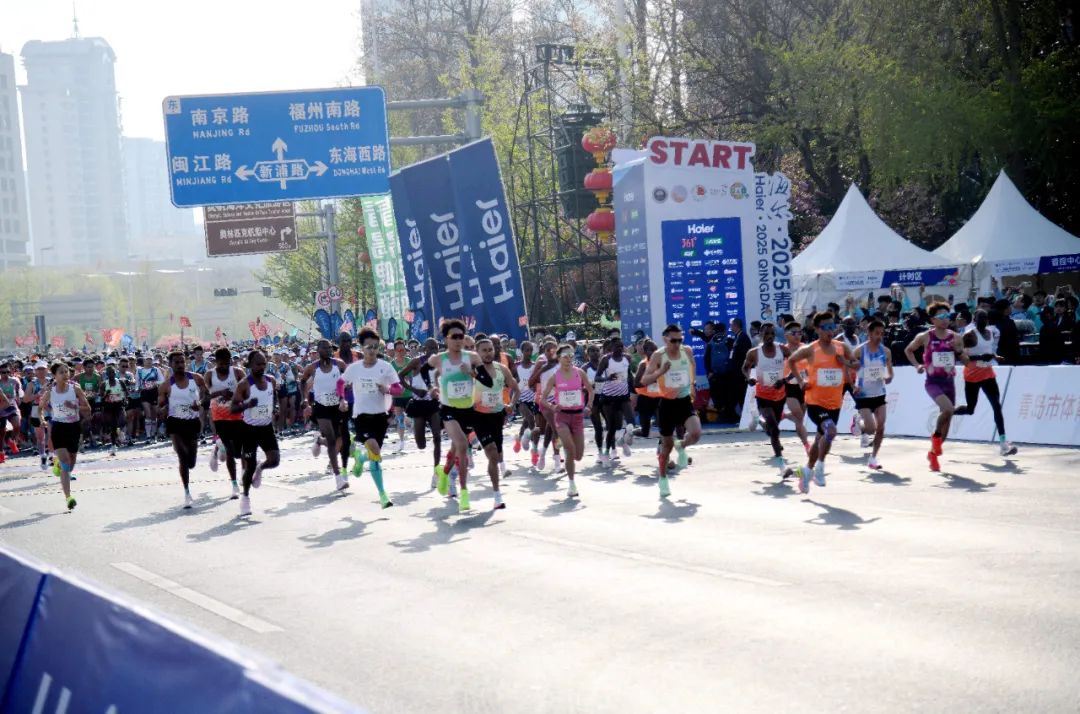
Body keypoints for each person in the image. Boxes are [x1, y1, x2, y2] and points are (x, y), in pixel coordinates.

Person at [786, 313, 856, 493]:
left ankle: (807, 471)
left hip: (835, 403)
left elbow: (857, 364)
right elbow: (792, 361)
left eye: (832, 327)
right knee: (830, 431)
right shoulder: (810, 349)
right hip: (815, 402)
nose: (830, 331)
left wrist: (845, 362)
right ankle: (820, 469)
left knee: (821, 439)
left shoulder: (842, 347)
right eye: (825, 328)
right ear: (817, 329)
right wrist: (800, 381)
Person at [430, 319, 493, 512]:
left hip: (467, 409)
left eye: (461, 336)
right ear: (446, 339)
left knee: (456, 447)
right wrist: (433, 388)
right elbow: (430, 374)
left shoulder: (472, 358)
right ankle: (464, 491)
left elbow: (488, 381)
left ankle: (444, 472)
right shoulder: (440, 359)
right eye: (454, 337)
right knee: (462, 445)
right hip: (448, 409)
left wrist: (472, 373)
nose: (458, 340)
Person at [640, 324, 703, 498]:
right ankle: (663, 479)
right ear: (665, 339)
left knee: (696, 433)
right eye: (673, 340)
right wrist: (661, 371)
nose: (677, 344)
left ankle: (681, 445)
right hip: (667, 404)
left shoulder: (687, 351)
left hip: (684, 401)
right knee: (666, 448)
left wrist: (692, 385)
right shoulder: (658, 355)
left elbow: (692, 366)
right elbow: (644, 380)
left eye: (680, 340)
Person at [904, 302, 968, 472]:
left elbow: (965, 359)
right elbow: (908, 350)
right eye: (941, 316)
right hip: (933, 382)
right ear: (932, 319)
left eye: (947, 316)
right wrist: (917, 365)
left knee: (947, 420)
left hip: (949, 382)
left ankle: (933, 454)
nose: (945, 319)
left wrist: (960, 352)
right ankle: (936, 439)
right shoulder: (925, 336)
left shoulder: (956, 337)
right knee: (948, 409)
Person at [342, 328, 401, 509]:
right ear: (361, 347)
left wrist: (387, 389)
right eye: (369, 347)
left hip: (380, 417)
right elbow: (340, 383)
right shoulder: (354, 368)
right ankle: (383, 495)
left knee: (374, 456)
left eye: (375, 347)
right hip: (361, 416)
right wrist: (342, 399)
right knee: (374, 449)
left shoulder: (386, 367)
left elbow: (398, 388)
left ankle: (360, 458)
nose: (372, 350)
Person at [954, 309, 1017, 456]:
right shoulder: (969, 335)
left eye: (985, 318)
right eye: (980, 318)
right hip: (972, 375)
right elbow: (960, 355)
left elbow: (988, 350)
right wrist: (980, 357)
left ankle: (1003, 444)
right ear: (975, 320)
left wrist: (995, 356)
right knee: (970, 409)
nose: (983, 320)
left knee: (997, 406)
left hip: (988, 374)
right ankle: (950, 411)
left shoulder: (990, 333)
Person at [541, 344, 593, 498]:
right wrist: (552, 406)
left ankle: (562, 441)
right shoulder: (554, 376)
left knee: (578, 456)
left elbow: (591, 390)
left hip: (577, 417)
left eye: (571, 355)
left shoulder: (580, 373)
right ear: (558, 358)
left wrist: (589, 406)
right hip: (562, 416)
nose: (569, 358)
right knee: (570, 450)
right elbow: (542, 399)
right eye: (565, 356)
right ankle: (572, 484)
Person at [471, 337, 518, 509]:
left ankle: (494, 472)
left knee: (496, 455)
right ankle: (497, 495)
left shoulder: (501, 369)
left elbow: (516, 388)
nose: (488, 353)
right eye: (484, 350)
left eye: (490, 349)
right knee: (491, 451)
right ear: (477, 352)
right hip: (478, 416)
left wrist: (511, 405)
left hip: (497, 416)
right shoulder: (472, 370)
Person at [232, 350, 281, 517]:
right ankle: (245, 497)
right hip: (249, 430)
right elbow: (233, 408)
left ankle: (261, 468)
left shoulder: (271, 380)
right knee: (249, 465)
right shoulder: (244, 384)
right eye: (258, 364)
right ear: (250, 365)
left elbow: (273, 396)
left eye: (264, 364)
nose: (261, 367)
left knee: (274, 461)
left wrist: (275, 407)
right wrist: (247, 405)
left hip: (266, 428)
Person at [158, 351, 209, 509]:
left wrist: (199, 403)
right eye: (176, 362)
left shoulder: (196, 378)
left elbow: (206, 396)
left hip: (192, 422)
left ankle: (188, 473)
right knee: (182, 456)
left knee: (191, 462)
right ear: (170, 365)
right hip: (175, 422)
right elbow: (160, 405)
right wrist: (163, 408)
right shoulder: (166, 385)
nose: (180, 365)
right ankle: (187, 492)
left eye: (182, 362)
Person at [39, 362, 91, 510]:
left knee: (71, 462)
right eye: (61, 372)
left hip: (74, 427)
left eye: (66, 371)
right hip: (58, 427)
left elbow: (88, 409)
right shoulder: (50, 392)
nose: (65, 374)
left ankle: (58, 464)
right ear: (54, 376)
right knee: (66, 462)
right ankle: (68, 497)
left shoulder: (75, 389)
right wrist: (42, 420)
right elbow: (40, 408)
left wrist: (74, 406)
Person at [301, 340, 350, 491]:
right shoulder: (312, 367)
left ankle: (319, 440)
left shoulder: (339, 364)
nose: (328, 350)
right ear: (318, 350)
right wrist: (305, 401)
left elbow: (348, 380)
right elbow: (302, 382)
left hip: (337, 407)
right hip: (321, 408)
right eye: (325, 348)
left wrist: (343, 398)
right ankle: (338, 477)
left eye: (330, 348)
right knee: (331, 439)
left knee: (340, 439)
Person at [742, 323, 790, 474]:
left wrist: (785, 380)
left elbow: (796, 366)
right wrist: (749, 378)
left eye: (772, 333)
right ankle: (781, 464)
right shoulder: (754, 353)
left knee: (772, 428)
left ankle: (760, 422)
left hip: (780, 395)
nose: (769, 336)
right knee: (775, 429)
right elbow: (745, 368)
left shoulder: (783, 349)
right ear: (761, 334)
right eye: (766, 333)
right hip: (763, 396)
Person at [397, 339, 443, 488]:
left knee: (437, 437)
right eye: (430, 348)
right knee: (421, 444)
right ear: (424, 349)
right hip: (418, 403)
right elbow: (400, 375)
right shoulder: (417, 362)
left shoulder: (441, 362)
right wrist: (414, 390)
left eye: (435, 348)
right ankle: (414, 428)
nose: (433, 351)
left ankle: (436, 472)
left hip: (434, 404)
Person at [852, 319, 894, 470]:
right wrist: (853, 385)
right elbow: (848, 368)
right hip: (863, 395)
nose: (879, 336)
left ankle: (873, 458)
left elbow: (890, 372)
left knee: (881, 427)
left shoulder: (886, 351)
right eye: (877, 333)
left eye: (882, 333)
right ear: (869, 333)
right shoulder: (859, 351)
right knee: (871, 429)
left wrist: (889, 377)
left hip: (879, 394)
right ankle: (859, 422)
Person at [207, 347, 246, 499]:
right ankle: (235, 485)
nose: (224, 367)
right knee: (230, 451)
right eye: (221, 364)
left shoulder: (237, 372)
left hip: (237, 415)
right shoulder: (210, 375)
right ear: (215, 362)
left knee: (241, 450)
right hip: (220, 417)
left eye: (227, 363)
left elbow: (247, 391)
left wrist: (234, 396)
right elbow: (204, 396)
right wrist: (219, 393)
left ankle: (244, 473)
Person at [595, 336, 635, 465]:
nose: (619, 348)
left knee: (631, 422)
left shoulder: (627, 358)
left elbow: (629, 375)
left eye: (621, 346)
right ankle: (607, 453)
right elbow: (597, 377)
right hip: (609, 398)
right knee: (612, 427)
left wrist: (634, 388)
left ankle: (623, 439)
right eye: (617, 346)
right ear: (611, 348)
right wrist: (607, 378)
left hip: (623, 396)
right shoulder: (606, 359)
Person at [781, 321, 813, 454]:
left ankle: (783, 416)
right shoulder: (782, 350)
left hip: (804, 387)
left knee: (799, 418)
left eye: (800, 333)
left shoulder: (806, 348)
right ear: (786, 335)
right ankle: (807, 446)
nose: (797, 335)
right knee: (799, 417)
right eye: (794, 333)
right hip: (789, 387)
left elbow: (812, 366)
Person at [512, 341, 539, 459]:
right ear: (522, 351)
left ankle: (519, 438)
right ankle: (534, 448)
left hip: (533, 398)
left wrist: (535, 386)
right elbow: (511, 381)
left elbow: (537, 381)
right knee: (531, 419)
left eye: (531, 350)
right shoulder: (516, 366)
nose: (529, 352)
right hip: (520, 398)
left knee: (526, 422)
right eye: (527, 350)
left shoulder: (535, 365)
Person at [703, 322, 733, 422]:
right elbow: (733, 357)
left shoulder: (710, 342)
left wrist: (709, 372)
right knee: (728, 394)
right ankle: (729, 415)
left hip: (714, 374)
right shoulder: (729, 340)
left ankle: (721, 415)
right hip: (727, 373)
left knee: (717, 395)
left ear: (714, 330)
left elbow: (706, 358)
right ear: (725, 330)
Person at [389, 339, 413, 454]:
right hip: (398, 396)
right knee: (400, 419)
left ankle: (412, 428)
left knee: (412, 417)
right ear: (395, 351)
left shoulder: (410, 362)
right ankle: (402, 441)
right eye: (398, 350)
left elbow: (415, 376)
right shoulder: (391, 365)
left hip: (409, 394)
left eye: (403, 350)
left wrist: (409, 379)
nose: (401, 352)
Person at [100, 360, 127, 457]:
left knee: (122, 421)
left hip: (119, 404)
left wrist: (125, 400)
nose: (112, 374)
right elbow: (101, 397)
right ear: (107, 374)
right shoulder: (104, 384)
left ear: (116, 373)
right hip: (109, 406)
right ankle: (113, 445)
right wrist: (106, 394)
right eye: (110, 373)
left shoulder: (120, 382)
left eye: (113, 372)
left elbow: (126, 392)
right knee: (113, 426)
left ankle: (120, 433)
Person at [137, 355, 163, 442]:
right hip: (144, 393)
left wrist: (155, 383)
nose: (149, 362)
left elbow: (162, 380)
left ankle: (153, 435)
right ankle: (148, 436)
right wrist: (137, 388)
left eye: (150, 360)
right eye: (147, 360)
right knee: (147, 414)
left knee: (154, 415)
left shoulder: (156, 369)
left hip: (154, 392)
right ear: (144, 361)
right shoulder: (139, 371)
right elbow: (137, 383)